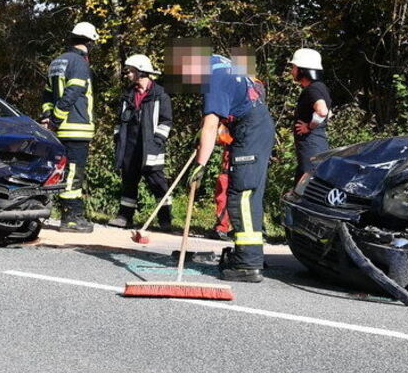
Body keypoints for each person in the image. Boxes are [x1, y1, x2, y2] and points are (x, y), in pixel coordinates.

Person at [188, 54, 275, 283]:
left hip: (250, 131)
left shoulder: (212, 78)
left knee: (242, 196)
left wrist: (200, 165)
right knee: (250, 195)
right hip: (258, 127)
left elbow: (211, 126)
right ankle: (250, 255)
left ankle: (247, 264)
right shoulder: (221, 63)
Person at [41, 22, 99, 233]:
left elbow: (47, 95)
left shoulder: (57, 62)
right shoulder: (79, 63)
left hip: (59, 129)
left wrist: (48, 117)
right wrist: (56, 119)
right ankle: (71, 218)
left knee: (65, 172)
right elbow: (72, 94)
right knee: (74, 174)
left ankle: (68, 214)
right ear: (89, 42)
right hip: (76, 128)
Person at [108, 54, 173, 230]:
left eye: (131, 71)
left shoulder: (159, 94)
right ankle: (124, 217)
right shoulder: (127, 94)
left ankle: (165, 220)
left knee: (157, 182)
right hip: (130, 146)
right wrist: (118, 138)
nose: (128, 74)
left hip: (151, 147)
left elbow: (166, 121)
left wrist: (158, 140)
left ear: (141, 72)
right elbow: (119, 120)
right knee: (129, 181)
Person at [290, 48, 332, 181]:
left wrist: (308, 126)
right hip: (315, 145)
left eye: (294, 67)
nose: (292, 71)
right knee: (301, 184)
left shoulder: (313, 89)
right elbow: (329, 113)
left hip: (311, 146)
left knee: (309, 184)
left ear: (302, 70)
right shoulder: (320, 87)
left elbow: (323, 111)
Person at [205, 123, 233, 241]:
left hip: (237, 162)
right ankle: (222, 227)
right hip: (229, 162)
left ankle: (224, 228)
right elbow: (222, 137)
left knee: (225, 194)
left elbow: (223, 137)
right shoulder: (227, 121)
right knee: (222, 193)